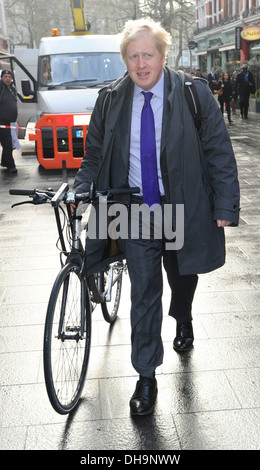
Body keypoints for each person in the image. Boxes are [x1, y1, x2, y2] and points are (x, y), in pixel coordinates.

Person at [73, 18, 240, 416]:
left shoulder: (193, 93)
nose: (141, 63)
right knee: (144, 291)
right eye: (133, 56)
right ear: (125, 60)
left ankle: (183, 316)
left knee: (182, 276)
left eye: (148, 54)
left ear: (163, 56)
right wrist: (82, 190)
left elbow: (219, 151)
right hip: (133, 209)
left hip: (182, 204)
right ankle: (146, 376)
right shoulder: (110, 99)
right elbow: (94, 155)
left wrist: (224, 207)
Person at [0, 69, 18, 173]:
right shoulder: (1, 88)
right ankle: (11, 165)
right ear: (2, 78)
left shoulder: (12, 88)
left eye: (9, 77)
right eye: (5, 77)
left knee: (9, 143)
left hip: (11, 122)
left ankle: (5, 162)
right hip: (2, 122)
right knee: (7, 143)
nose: (7, 79)